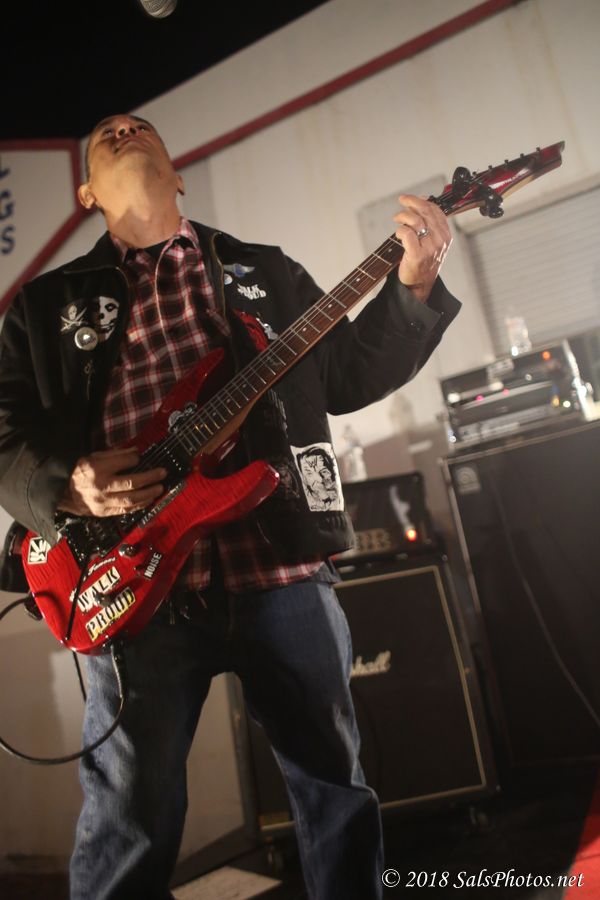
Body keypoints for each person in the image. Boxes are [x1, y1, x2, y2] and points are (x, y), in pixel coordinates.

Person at [0, 114, 460, 900]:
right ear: (85, 194)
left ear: (179, 174)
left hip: (278, 566)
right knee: (127, 822)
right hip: (128, 584)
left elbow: (347, 373)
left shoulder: (265, 271)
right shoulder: (45, 305)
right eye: (107, 133)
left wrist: (413, 288)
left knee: (334, 793)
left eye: (141, 127)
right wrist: (67, 483)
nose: (124, 127)